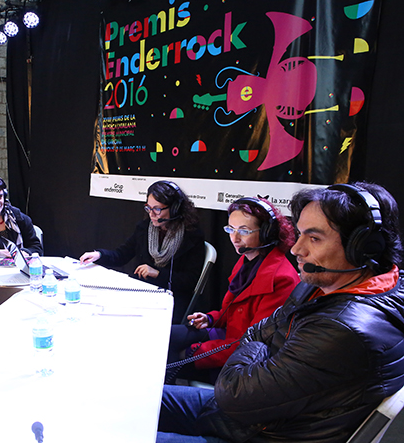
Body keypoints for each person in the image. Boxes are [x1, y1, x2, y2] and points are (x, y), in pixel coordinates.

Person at [157, 182, 404, 443]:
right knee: (133, 396)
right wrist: (246, 336)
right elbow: (260, 332)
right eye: (300, 234)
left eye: (314, 238)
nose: (296, 249)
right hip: (252, 416)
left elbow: (234, 391)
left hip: (262, 431)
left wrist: (254, 342)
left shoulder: (342, 329)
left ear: (363, 248)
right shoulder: (319, 285)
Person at [166, 197, 299, 384]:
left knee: (165, 358)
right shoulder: (247, 259)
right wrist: (210, 318)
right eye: (231, 229)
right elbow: (233, 311)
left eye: (244, 231)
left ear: (267, 233)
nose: (235, 238)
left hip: (243, 361)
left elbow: (251, 344)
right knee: (163, 336)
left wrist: (192, 352)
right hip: (229, 337)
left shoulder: (282, 279)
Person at [80, 181, 205, 324]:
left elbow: (190, 281)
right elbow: (122, 255)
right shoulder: (144, 228)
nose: (151, 214)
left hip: (172, 299)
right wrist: (99, 255)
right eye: (148, 208)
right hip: (143, 290)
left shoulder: (192, 236)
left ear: (175, 209)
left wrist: (157, 273)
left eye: (157, 209)